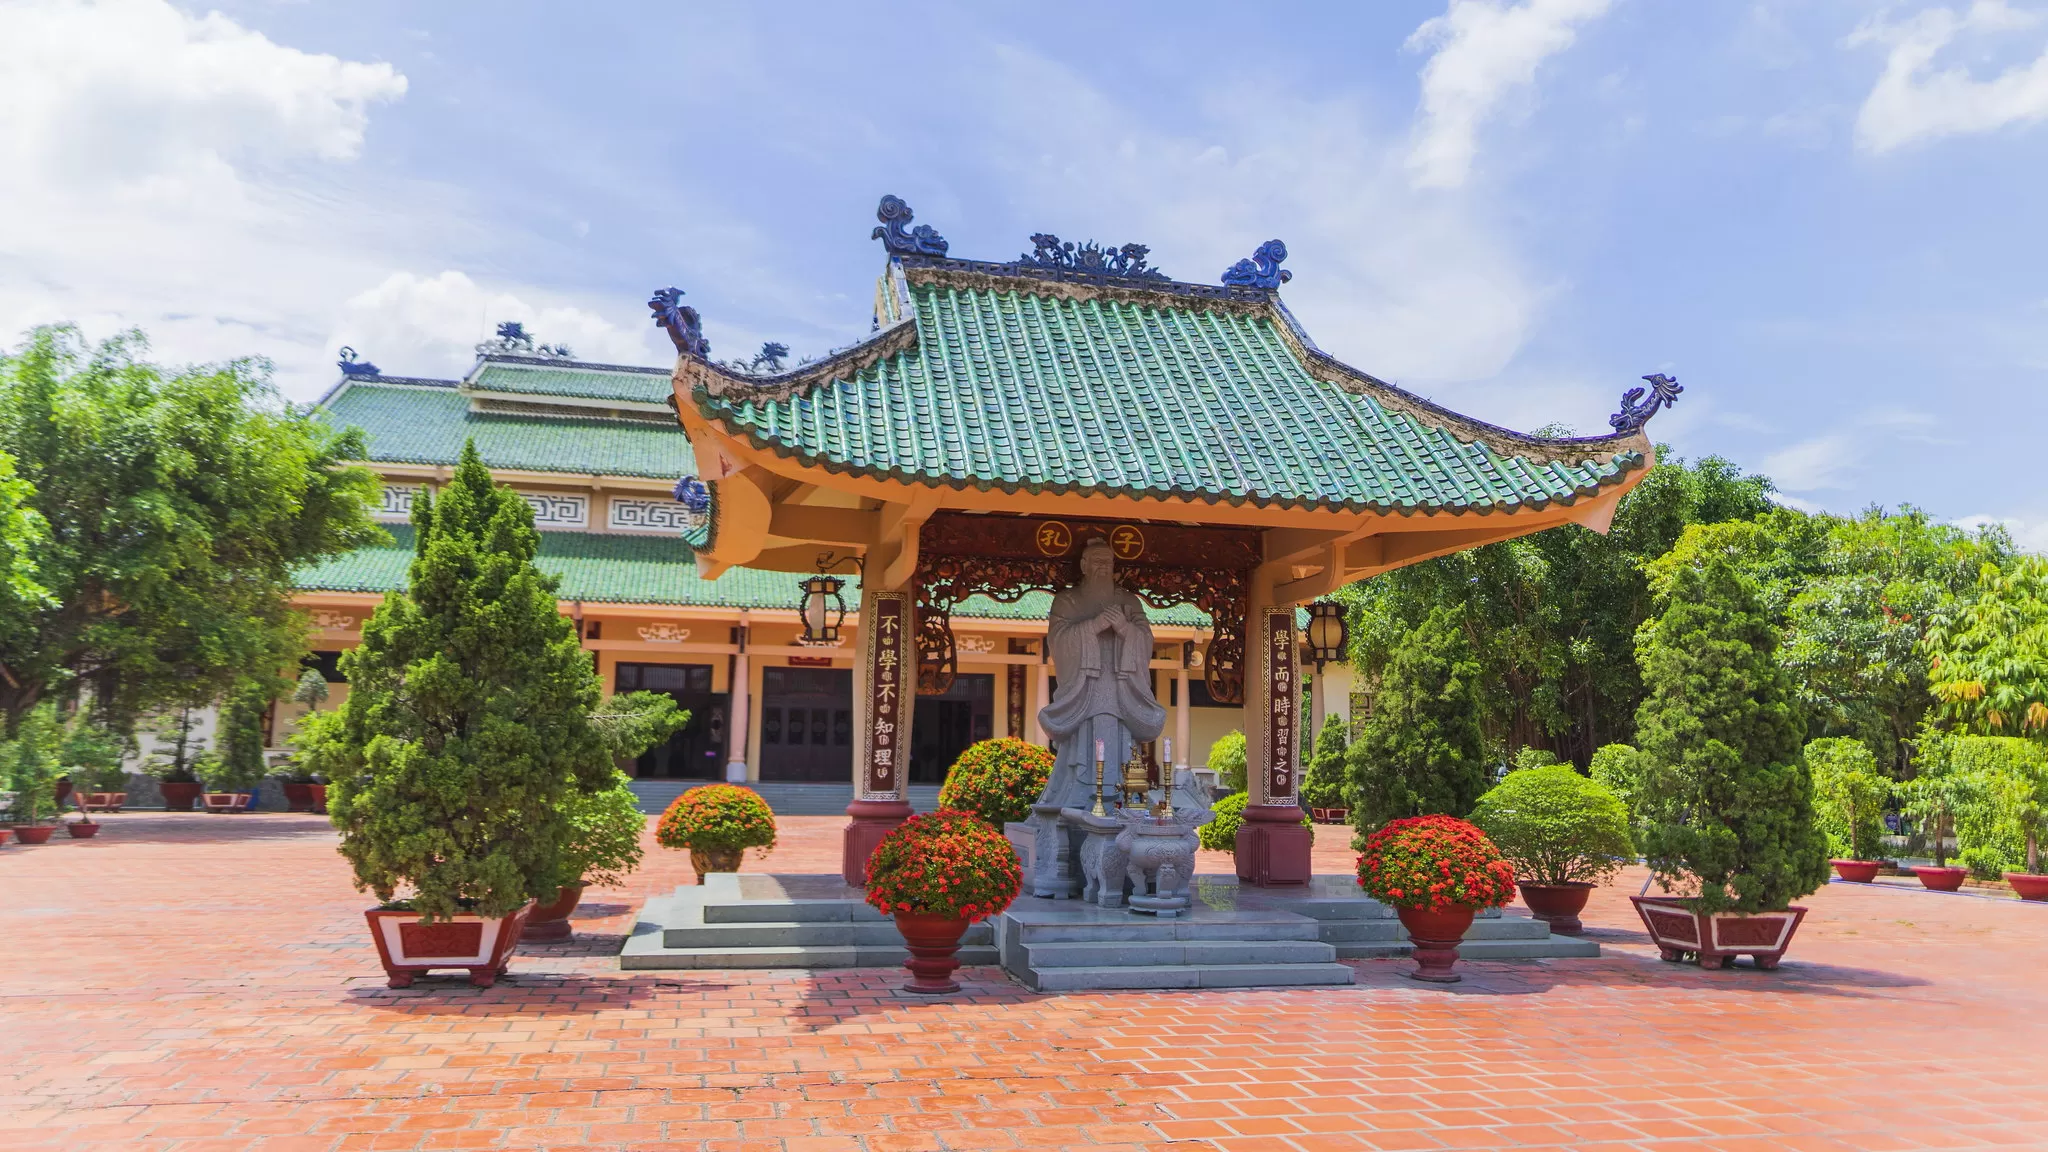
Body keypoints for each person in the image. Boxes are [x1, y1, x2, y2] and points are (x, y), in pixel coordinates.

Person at [1036, 538, 1167, 810]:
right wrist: (1092, 626)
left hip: (1121, 690)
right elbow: (1057, 641)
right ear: (1083, 565)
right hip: (1084, 690)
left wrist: (1125, 629)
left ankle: (1120, 796)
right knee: (1082, 744)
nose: (1102, 568)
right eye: (1096, 561)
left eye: (1107, 562)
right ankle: (1078, 795)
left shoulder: (1128, 602)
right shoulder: (1068, 601)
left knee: (1120, 743)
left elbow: (1145, 640)